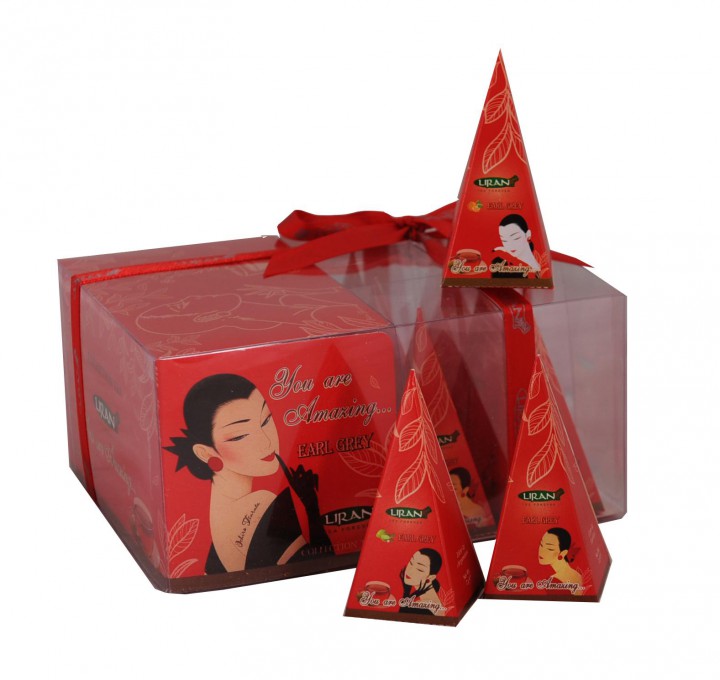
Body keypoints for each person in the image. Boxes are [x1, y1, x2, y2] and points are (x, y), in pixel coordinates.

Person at [165, 373, 331, 574]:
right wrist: (311, 507)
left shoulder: (216, 530)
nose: (267, 442)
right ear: (205, 453)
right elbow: (321, 567)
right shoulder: (264, 504)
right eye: (240, 436)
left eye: (266, 420)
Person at [398, 548, 446, 616]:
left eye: (419, 569)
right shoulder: (427, 592)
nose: (409, 571)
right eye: (411, 563)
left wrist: (406, 593)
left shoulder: (424, 607)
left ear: (430, 577)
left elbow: (402, 616)